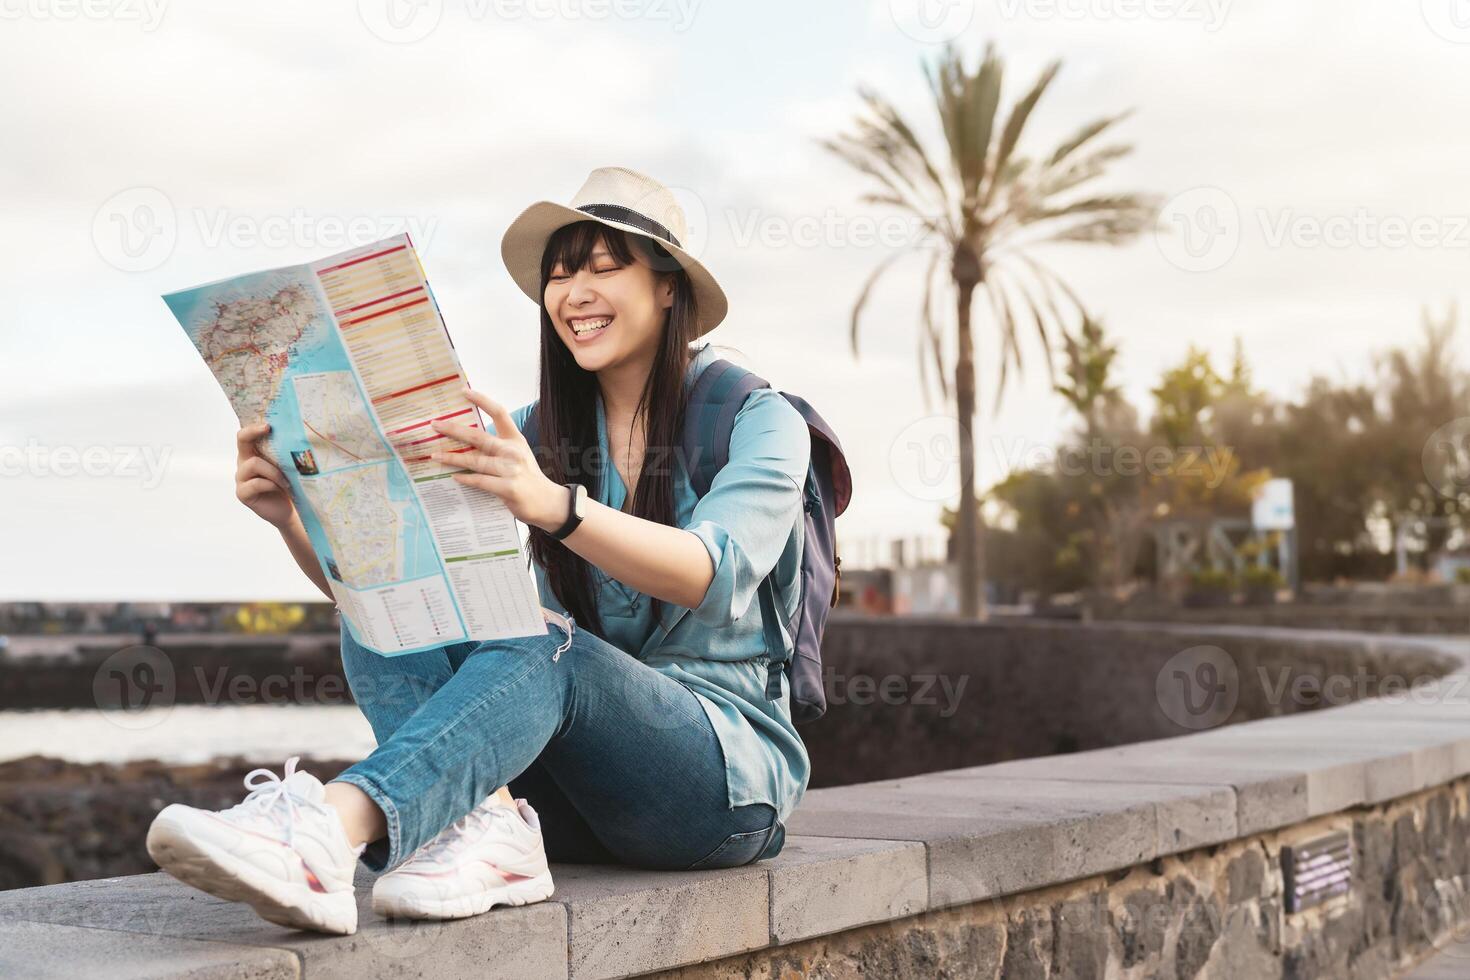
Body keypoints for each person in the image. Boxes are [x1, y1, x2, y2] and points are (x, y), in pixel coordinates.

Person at [145, 167, 812, 936]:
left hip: (713, 791)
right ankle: (485, 829)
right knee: (389, 612)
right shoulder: (537, 432)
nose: (574, 293)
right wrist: (293, 518)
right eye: (559, 275)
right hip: (565, 794)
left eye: (605, 267)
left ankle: (330, 827)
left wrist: (555, 507)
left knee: (551, 645)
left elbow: (712, 571)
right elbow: (403, 585)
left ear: (669, 289)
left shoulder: (758, 419)